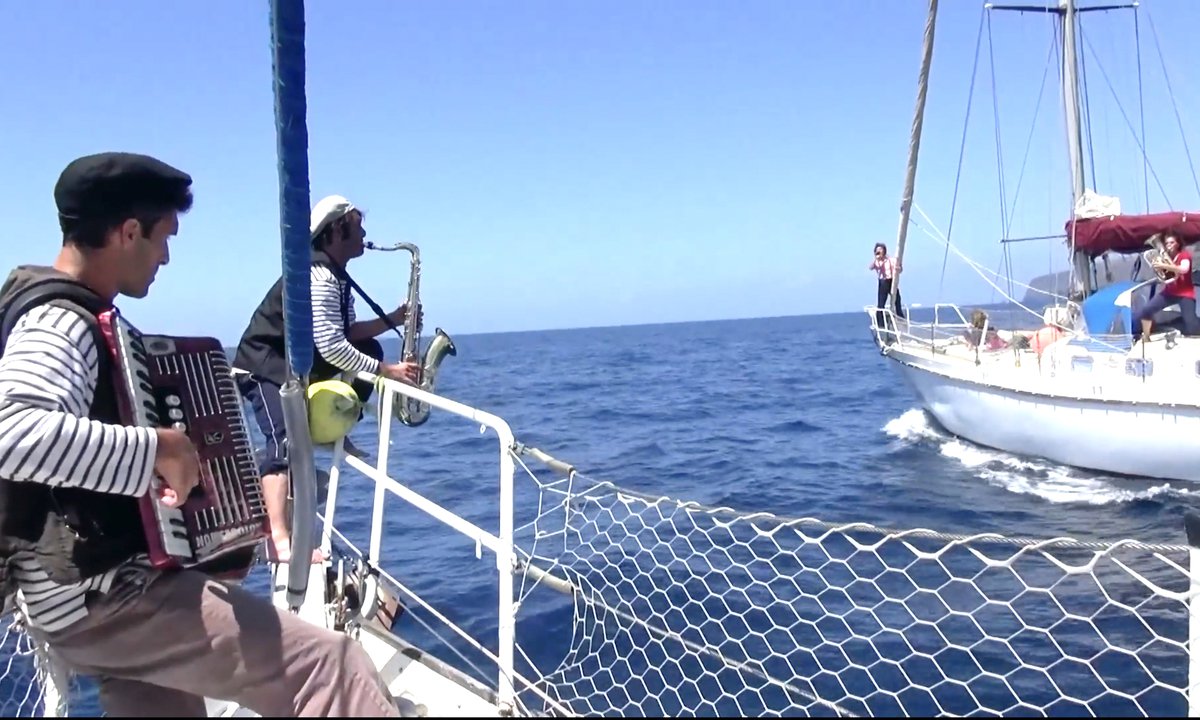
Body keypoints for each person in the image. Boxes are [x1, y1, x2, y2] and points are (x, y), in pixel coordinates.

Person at [0, 152, 400, 716]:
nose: (166, 256)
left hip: (82, 600)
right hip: (106, 599)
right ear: (128, 232)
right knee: (331, 667)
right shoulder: (60, 322)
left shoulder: (71, 315)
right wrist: (157, 450)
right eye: (163, 237)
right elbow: (11, 435)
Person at [233, 194, 420, 565]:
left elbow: (347, 332)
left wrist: (395, 320)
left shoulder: (335, 275)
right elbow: (333, 347)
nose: (364, 234)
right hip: (261, 367)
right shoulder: (318, 276)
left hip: (293, 365)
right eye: (358, 227)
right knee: (283, 442)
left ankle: (334, 426)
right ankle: (278, 541)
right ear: (337, 230)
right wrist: (387, 372)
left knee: (371, 349)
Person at [1133, 229, 1199, 343]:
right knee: (1146, 311)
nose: (1169, 245)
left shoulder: (1184, 255)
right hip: (1169, 292)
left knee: (1191, 323)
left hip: (1185, 294)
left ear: (1178, 244)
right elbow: (1164, 276)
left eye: (1172, 243)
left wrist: (1164, 266)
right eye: (1167, 243)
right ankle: (1146, 337)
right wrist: (1158, 268)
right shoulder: (1164, 256)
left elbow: (1184, 269)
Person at [869, 242, 905, 329]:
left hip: (891, 280)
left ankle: (901, 319)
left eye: (880, 250)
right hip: (883, 282)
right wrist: (876, 259)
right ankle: (880, 323)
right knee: (881, 303)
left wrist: (899, 268)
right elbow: (870, 267)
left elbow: (899, 268)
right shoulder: (877, 262)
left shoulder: (891, 260)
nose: (878, 252)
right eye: (877, 250)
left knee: (897, 300)